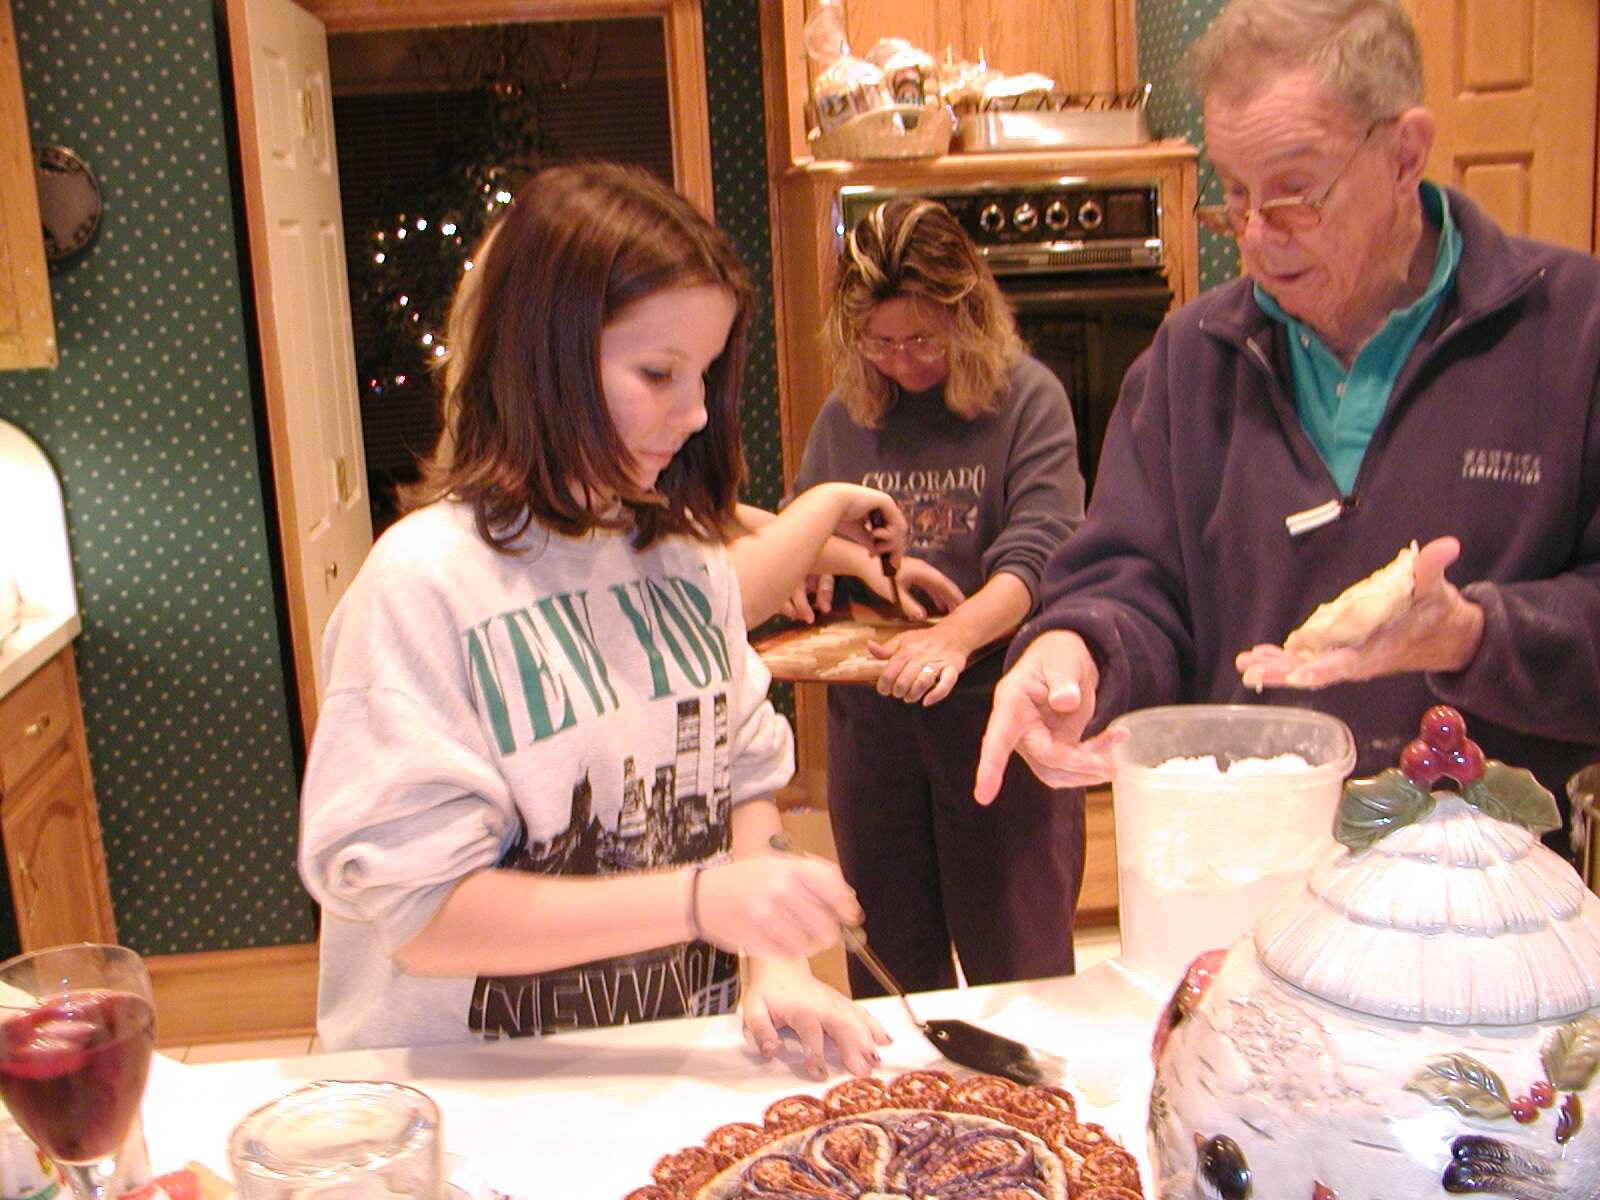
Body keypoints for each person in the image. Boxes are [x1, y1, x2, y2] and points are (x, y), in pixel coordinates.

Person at [298, 162, 892, 1077]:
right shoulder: (422, 584)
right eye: (658, 372)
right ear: (546, 354)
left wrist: (778, 962)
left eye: (703, 375)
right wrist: (700, 902)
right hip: (466, 1094)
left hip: (657, 1065)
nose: (694, 413)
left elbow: (742, 786)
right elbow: (424, 919)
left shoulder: (691, 566)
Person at [975, 0, 1600, 856]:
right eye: (1234, 196)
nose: (1258, 240)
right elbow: (1130, 582)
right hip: (1253, 890)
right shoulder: (1190, 359)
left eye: (1296, 196)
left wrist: (1478, 636)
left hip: (1501, 918)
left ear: (1405, 155)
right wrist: (1077, 647)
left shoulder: (1575, 330)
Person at [789, 197, 1089, 997]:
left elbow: (1042, 550)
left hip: (995, 719)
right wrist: (827, 566)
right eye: (880, 342)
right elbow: (803, 528)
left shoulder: (1026, 399)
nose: (902, 360)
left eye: (923, 337)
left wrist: (955, 635)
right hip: (874, 730)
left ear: (969, 311)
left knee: (1020, 980)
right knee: (891, 979)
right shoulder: (846, 414)